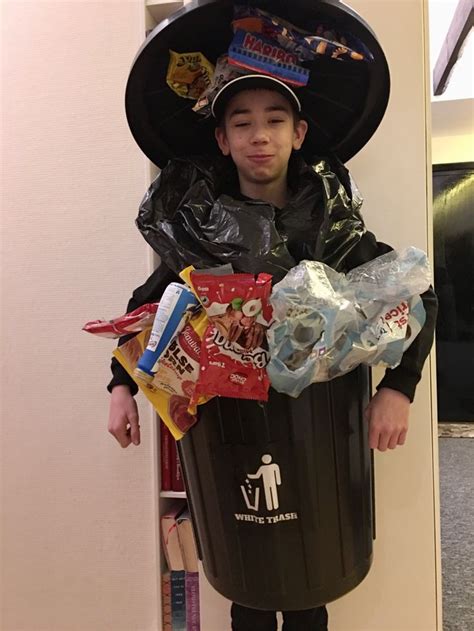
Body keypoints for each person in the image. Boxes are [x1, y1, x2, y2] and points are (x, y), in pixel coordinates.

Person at [107, 75, 437, 631]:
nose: (260, 135)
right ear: (222, 140)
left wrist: (398, 389)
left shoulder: (336, 229)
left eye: (275, 120)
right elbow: (147, 311)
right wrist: (119, 387)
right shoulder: (200, 229)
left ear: (299, 132)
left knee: (315, 577)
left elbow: (414, 294)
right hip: (227, 427)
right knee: (248, 583)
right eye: (242, 122)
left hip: (321, 425)